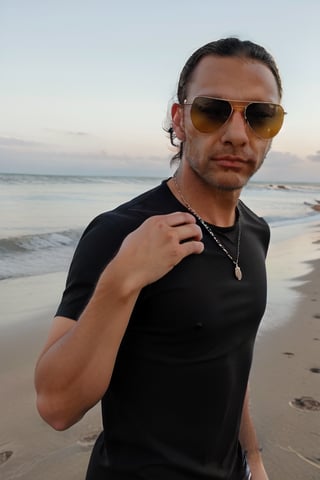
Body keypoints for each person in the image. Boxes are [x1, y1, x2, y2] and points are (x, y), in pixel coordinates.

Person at [35, 37, 286, 479]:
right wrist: (122, 279)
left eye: (259, 116)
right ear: (180, 119)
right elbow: (56, 405)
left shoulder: (255, 232)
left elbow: (231, 360)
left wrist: (256, 459)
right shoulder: (119, 233)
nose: (235, 134)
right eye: (213, 110)